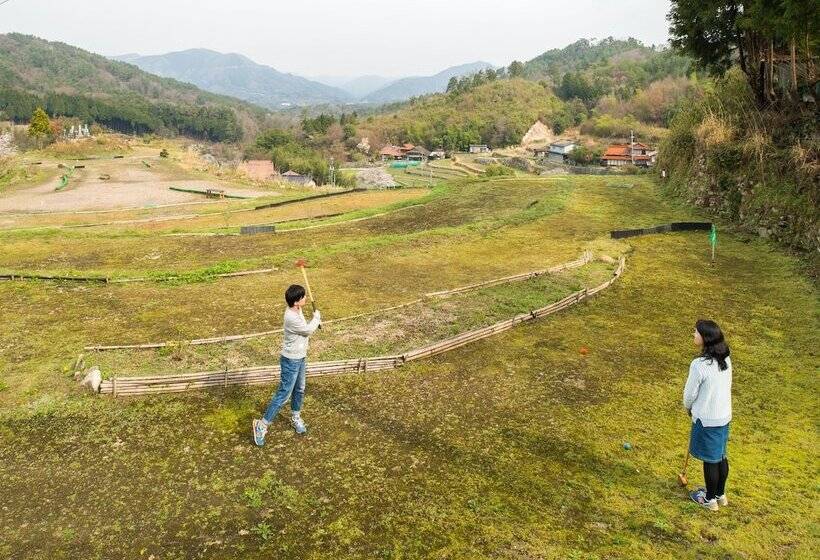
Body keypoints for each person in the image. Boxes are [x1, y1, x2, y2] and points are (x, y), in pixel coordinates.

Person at [253, 284, 321, 446]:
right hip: (291, 360)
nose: (305, 298)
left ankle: (296, 417)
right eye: (303, 297)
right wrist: (317, 318)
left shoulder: (297, 309)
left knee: (300, 389)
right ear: (296, 301)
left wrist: (314, 320)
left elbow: (306, 327)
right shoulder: (291, 317)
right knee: (284, 394)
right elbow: (307, 330)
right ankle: (261, 425)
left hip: (301, 356)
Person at [683, 319, 732, 511]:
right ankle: (720, 495)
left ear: (705, 338)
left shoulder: (699, 365)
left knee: (711, 460)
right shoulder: (726, 359)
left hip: (706, 419)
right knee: (720, 455)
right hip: (723, 416)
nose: (693, 334)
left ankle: (710, 500)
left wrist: (689, 408)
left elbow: (689, 395)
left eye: (696, 332)